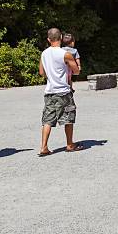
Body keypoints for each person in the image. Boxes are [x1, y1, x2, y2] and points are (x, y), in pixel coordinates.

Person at [38, 28, 83, 157]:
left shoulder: (44, 54)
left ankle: (44, 147)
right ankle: (69, 144)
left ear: (48, 39)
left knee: (47, 119)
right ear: (61, 37)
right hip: (63, 91)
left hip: (49, 91)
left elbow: (42, 72)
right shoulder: (65, 54)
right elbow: (76, 71)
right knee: (68, 116)